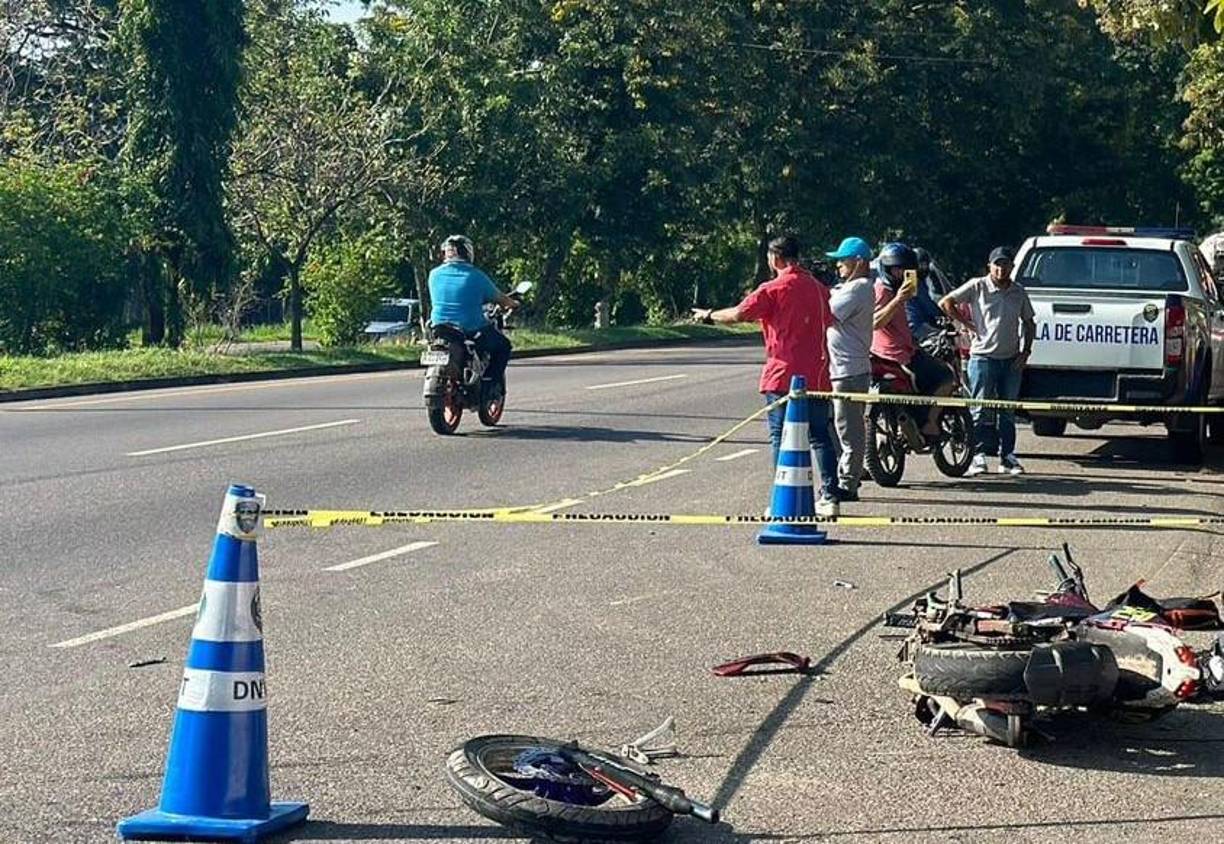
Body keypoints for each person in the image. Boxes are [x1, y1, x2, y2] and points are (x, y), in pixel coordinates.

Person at [692, 235, 842, 515]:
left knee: (780, 437)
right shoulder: (819, 289)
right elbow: (829, 321)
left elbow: (739, 314)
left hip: (783, 374)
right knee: (820, 436)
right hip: (818, 373)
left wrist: (709, 315)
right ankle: (831, 496)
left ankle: (783, 499)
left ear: (775, 258)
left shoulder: (773, 288)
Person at [939, 246, 1036, 476]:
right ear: (989, 266)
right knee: (979, 409)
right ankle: (977, 455)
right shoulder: (978, 286)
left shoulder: (1018, 291)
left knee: (1007, 411)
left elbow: (1029, 322)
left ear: (1012, 267)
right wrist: (966, 324)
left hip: (1010, 360)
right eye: (997, 264)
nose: (1001, 269)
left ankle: (1008, 457)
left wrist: (1025, 352)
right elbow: (946, 302)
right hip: (983, 358)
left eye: (1005, 264)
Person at [872, 243, 956, 436]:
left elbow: (927, 308)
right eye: (896, 270)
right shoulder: (883, 291)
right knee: (946, 377)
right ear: (886, 269)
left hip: (905, 347)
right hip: (895, 355)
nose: (901, 275)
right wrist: (899, 299)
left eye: (906, 271)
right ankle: (929, 423)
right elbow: (875, 322)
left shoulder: (910, 290)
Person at [427, 234, 519, 393]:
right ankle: (490, 385)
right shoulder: (476, 276)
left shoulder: (433, 274)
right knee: (503, 346)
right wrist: (514, 304)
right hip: (470, 328)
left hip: (439, 327)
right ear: (468, 253)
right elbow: (501, 299)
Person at [823, 236, 875, 501]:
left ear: (859, 262)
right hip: (843, 368)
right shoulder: (850, 288)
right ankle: (846, 474)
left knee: (849, 430)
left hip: (849, 370)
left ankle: (848, 484)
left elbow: (827, 313)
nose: (838, 266)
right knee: (834, 424)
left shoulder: (859, 288)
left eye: (843, 260)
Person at [906, 247, 945, 342]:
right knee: (946, 336)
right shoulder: (912, 280)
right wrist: (944, 312)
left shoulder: (918, 280)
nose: (924, 268)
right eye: (921, 265)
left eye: (925, 265)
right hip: (916, 325)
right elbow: (927, 304)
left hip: (921, 322)